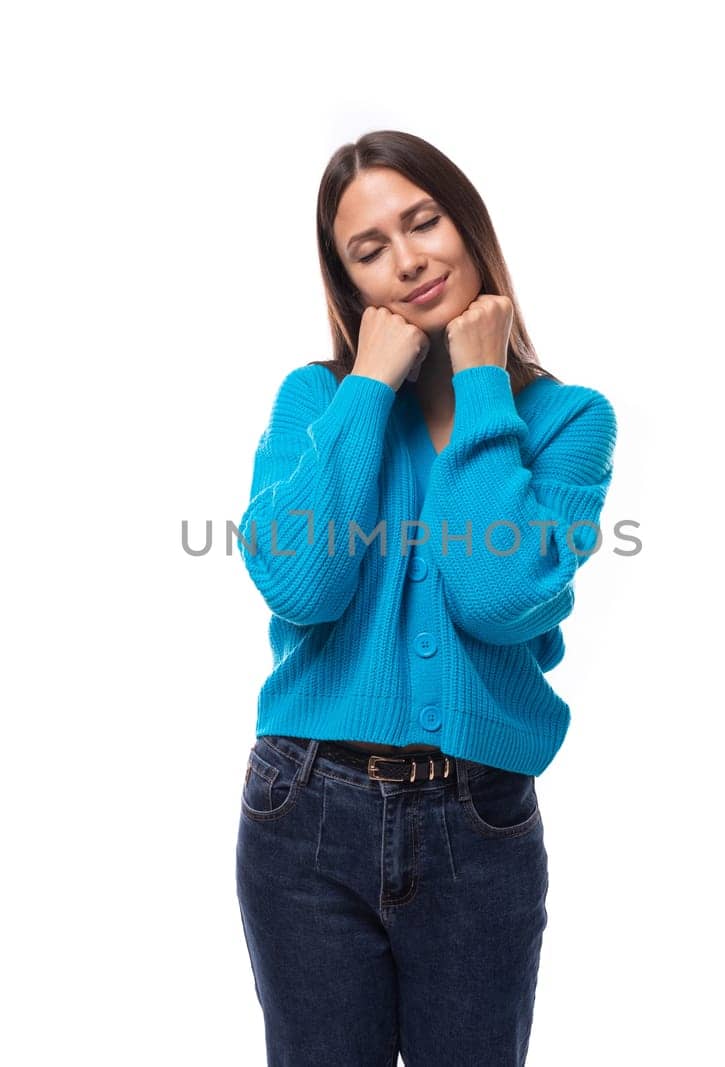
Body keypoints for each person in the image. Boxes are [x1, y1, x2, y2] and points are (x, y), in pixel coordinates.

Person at [233, 129, 618, 1066]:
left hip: (476, 827)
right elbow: (301, 583)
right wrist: (368, 387)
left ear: (468, 225)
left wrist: (482, 378)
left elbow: (498, 597)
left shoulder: (568, 420)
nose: (407, 262)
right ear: (349, 283)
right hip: (304, 813)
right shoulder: (315, 400)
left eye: (423, 222)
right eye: (370, 250)